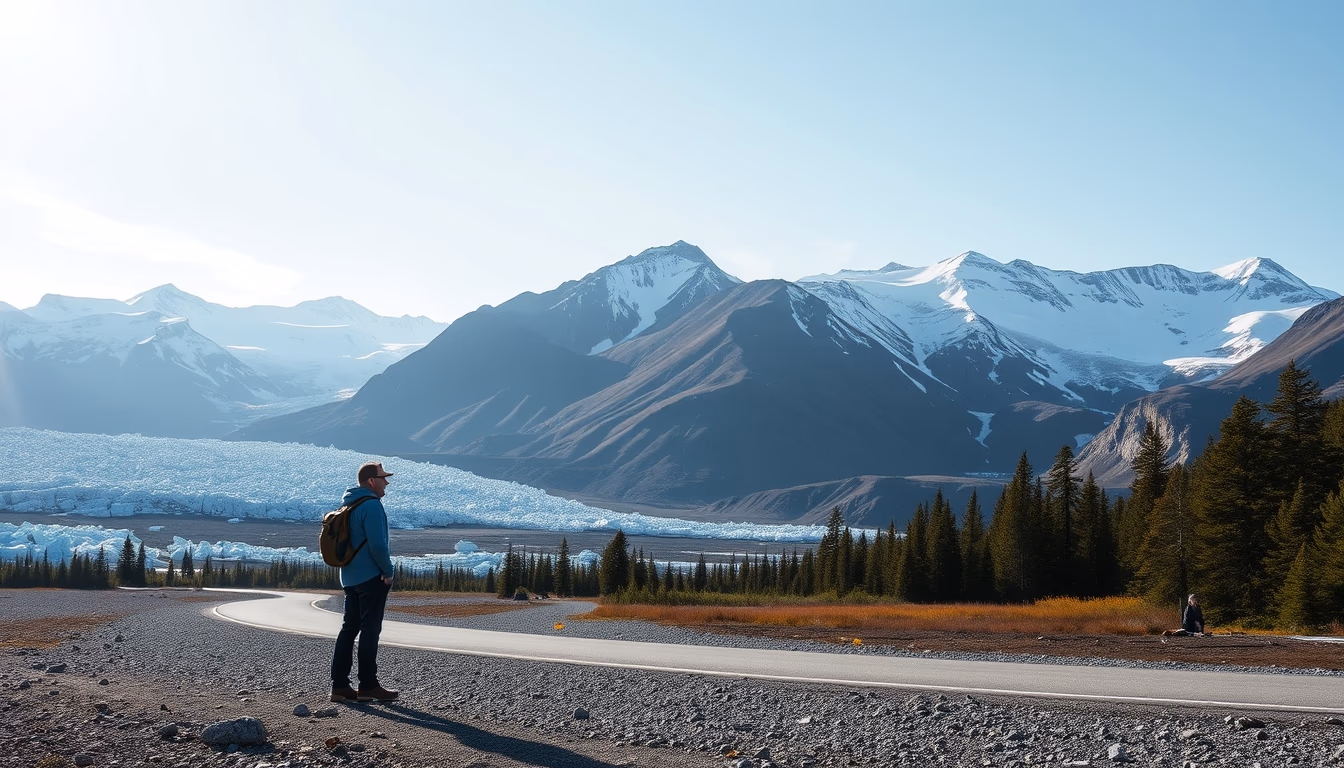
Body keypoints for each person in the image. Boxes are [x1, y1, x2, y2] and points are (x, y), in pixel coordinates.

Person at [330, 461, 399, 703]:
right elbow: (378, 545)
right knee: (370, 631)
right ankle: (368, 685)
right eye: (383, 478)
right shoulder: (371, 505)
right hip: (371, 578)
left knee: (349, 630)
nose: (386, 482)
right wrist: (388, 571)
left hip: (349, 578)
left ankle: (339, 686)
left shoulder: (349, 504)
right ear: (371, 481)